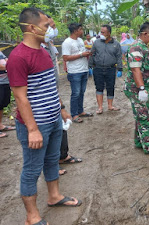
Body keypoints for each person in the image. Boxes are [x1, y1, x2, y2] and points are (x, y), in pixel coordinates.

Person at [7, 8, 82, 225]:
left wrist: (61, 109)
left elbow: (50, 87)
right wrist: (32, 129)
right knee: (31, 169)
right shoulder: (18, 57)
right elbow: (21, 98)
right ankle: (31, 217)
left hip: (53, 119)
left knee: (51, 161)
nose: (50, 29)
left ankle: (54, 196)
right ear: (32, 28)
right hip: (36, 124)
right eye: (47, 25)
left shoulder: (45, 52)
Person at [41, 15, 82, 175]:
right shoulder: (35, 51)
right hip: (43, 103)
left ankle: (63, 156)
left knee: (60, 129)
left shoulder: (49, 46)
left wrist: (61, 105)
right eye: (49, 26)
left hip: (54, 96)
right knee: (47, 135)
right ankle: (51, 166)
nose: (53, 29)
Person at [124, 22, 149, 157]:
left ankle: (139, 141)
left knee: (142, 116)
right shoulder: (136, 47)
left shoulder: (144, 46)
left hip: (146, 88)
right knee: (144, 116)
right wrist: (141, 88)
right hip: (138, 89)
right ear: (145, 34)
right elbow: (136, 69)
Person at [62, 22, 93, 123]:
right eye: (81, 29)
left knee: (81, 92)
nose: (82, 31)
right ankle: (74, 114)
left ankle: (80, 111)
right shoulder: (67, 42)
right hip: (75, 72)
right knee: (75, 93)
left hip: (84, 70)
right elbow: (65, 58)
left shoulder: (80, 40)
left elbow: (81, 52)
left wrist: (87, 53)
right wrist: (81, 55)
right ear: (75, 31)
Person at [89, 24, 123, 114]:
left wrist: (120, 69)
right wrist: (90, 66)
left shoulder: (116, 44)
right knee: (99, 88)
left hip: (111, 69)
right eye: (101, 32)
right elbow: (92, 54)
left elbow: (119, 57)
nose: (101, 34)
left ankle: (110, 106)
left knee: (110, 87)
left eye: (103, 32)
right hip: (98, 69)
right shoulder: (96, 43)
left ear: (109, 33)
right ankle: (100, 107)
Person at [0, 51, 16, 138]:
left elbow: (9, 61)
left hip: (4, 82)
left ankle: (0, 125)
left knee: (2, 104)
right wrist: (9, 66)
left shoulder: (0, 53)